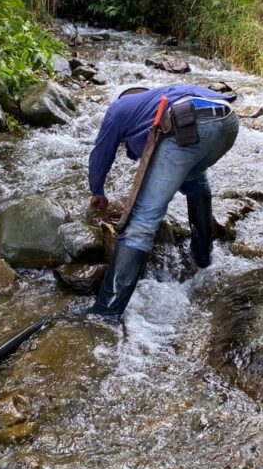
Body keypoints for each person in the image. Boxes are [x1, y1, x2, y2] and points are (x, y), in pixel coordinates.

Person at [86, 84, 239, 321]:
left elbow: (101, 153)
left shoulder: (118, 108)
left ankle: (106, 311)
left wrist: (97, 190)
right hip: (228, 123)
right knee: (194, 180)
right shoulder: (162, 97)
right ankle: (203, 259)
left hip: (190, 123)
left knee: (142, 221)